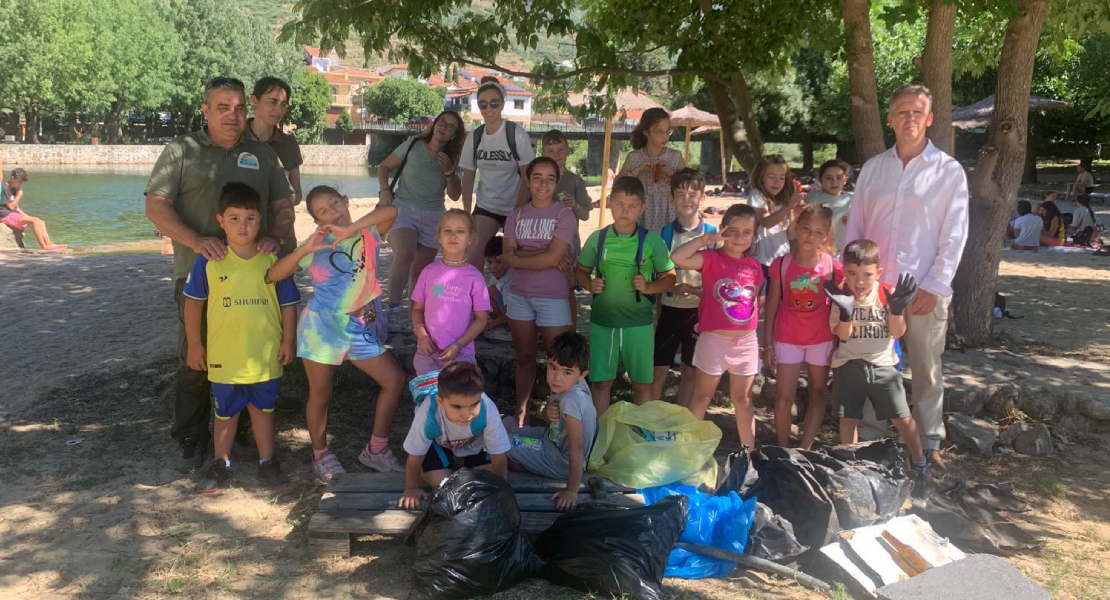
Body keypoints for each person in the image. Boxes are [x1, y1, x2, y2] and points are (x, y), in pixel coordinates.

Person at [145, 77, 295, 473]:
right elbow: (156, 206)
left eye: (240, 107)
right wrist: (196, 241)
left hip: (254, 276)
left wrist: (277, 239)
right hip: (198, 275)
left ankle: (242, 433)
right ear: (205, 109)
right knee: (197, 356)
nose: (233, 115)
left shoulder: (263, 155)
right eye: (223, 107)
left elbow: (283, 206)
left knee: (251, 353)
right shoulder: (182, 150)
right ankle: (192, 438)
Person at [842, 84, 969, 471]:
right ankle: (872, 436)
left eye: (917, 112)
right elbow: (857, 227)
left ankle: (929, 440)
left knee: (926, 364)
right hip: (874, 289)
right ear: (890, 118)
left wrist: (935, 284)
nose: (910, 118)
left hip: (922, 288)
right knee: (871, 362)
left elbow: (955, 231)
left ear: (929, 119)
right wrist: (851, 280)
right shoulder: (874, 169)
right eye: (902, 112)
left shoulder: (948, 171)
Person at [267, 186, 405, 481]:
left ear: (346, 201)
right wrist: (304, 248)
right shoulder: (319, 244)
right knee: (321, 392)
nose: (333, 212)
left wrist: (351, 228)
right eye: (324, 211)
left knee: (394, 380)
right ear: (318, 221)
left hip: (357, 326)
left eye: (335, 203)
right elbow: (274, 275)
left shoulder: (368, 233)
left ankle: (376, 450)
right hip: (321, 328)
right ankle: (320, 454)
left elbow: (391, 211)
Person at [182, 183, 299, 493]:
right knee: (225, 411)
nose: (242, 225)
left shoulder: (273, 260)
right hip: (225, 355)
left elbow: (288, 304)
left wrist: (289, 341)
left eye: (250, 218)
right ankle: (222, 464)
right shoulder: (209, 259)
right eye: (234, 218)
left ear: (260, 220)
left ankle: (267, 462)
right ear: (220, 220)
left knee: (263, 411)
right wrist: (195, 344)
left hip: (265, 354)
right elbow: (193, 303)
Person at [825, 239, 929, 480]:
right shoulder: (841, 295)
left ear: (878, 273)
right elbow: (843, 335)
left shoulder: (886, 293)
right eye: (852, 274)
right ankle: (851, 464)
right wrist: (845, 311)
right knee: (848, 418)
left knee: (902, 417)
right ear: (844, 271)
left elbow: (897, 332)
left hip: (883, 366)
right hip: (848, 366)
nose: (859, 282)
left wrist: (896, 310)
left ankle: (920, 461)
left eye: (866, 275)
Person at [576, 177, 676, 413]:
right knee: (601, 383)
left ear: (643, 207)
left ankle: (643, 437)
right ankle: (598, 439)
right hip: (603, 323)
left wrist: (650, 287)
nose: (625, 211)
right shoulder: (597, 239)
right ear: (609, 203)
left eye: (632, 206)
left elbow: (670, 276)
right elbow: (580, 271)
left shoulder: (652, 241)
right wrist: (590, 285)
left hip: (638, 325)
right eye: (619, 204)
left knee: (643, 383)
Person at [671, 204, 764, 450]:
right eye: (733, 231)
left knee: (742, 399)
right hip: (714, 341)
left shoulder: (754, 266)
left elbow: (751, 300)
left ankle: (749, 454)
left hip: (746, 343)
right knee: (702, 396)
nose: (740, 237)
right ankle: (686, 451)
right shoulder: (711, 258)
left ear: (754, 235)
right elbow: (678, 257)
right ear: (723, 230)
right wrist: (704, 240)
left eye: (747, 232)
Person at [502, 157, 577, 425]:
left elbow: (552, 258)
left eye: (550, 178)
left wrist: (519, 257)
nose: (543, 184)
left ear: (557, 183)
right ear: (528, 180)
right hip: (519, 295)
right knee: (524, 356)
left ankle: (557, 413)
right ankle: (522, 413)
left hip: (552, 297)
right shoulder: (516, 215)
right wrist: (542, 254)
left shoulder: (564, 215)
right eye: (537, 177)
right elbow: (507, 255)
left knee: (558, 359)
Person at [378, 111, 467, 332]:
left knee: (420, 270)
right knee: (405, 254)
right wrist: (384, 190)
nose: (444, 127)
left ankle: (413, 318)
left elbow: (455, 195)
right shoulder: (413, 145)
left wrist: (449, 171)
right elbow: (383, 167)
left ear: (454, 135)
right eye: (442, 122)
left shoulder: (454, 159)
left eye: (450, 127)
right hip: (403, 210)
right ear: (435, 124)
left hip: (433, 216)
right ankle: (392, 311)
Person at [764, 204, 842, 449]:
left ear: (827, 236)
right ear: (795, 227)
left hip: (822, 339)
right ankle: (784, 448)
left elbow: (841, 307)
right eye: (806, 229)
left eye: (819, 232)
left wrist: (839, 342)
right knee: (783, 397)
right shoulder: (781, 264)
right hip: (787, 338)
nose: (811, 236)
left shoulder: (833, 267)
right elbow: (772, 304)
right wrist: (767, 344)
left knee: (818, 392)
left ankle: (805, 448)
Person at [502, 332, 596, 511]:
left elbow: (577, 448)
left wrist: (571, 490)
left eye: (566, 372)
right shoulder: (570, 384)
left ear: (582, 374)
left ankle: (521, 463)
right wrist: (547, 412)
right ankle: (523, 459)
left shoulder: (572, 400)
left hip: (561, 462)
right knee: (506, 424)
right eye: (553, 367)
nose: (557, 378)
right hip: (550, 438)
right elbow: (548, 419)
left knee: (501, 444)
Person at [398, 361, 511, 509]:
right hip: (439, 444)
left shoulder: (487, 407)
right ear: (440, 401)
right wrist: (411, 488)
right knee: (442, 486)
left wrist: (500, 489)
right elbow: (415, 454)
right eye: (457, 407)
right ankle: (428, 471)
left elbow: (499, 454)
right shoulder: (428, 413)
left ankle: (457, 461)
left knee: (486, 481)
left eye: (474, 405)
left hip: (473, 444)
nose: (466, 414)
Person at [651, 168, 717, 407]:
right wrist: (671, 289)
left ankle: (681, 422)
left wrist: (702, 292)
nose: (687, 200)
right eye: (680, 194)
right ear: (671, 198)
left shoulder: (711, 235)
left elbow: (717, 275)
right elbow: (659, 273)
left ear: (702, 197)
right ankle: (649, 422)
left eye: (692, 194)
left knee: (690, 372)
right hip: (669, 309)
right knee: (658, 371)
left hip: (698, 313)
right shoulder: (665, 233)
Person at [461, 77, 536, 274]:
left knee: (514, 256)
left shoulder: (516, 134)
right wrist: (467, 213)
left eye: (494, 103)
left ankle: (512, 300)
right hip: (487, 206)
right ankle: (474, 300)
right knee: (473, 253)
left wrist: (517, 210)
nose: (488, 108)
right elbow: (468, 177)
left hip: (516, 204)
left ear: (502, 104)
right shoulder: (475, 136)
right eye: (483, 104)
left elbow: (527, 176)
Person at [410, 209, 491, 375]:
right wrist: (422, 335)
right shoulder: (428, 272)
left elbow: (481, 319)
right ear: (439, 236)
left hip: (461, 354)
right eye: (447, 231)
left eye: (460, 231)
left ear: (471, 238)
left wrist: (458, 345)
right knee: (429, 399)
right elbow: (417, 309)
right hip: (427, 353)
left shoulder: (475, 277)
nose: (453, 236)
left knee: (459, 399)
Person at [534, 129, 592, 326]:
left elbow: (585, 215)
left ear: (568, 151)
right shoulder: (535, 180)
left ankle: (570, 334)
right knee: (540, 286)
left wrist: (575, 205)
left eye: (560, 149)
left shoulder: (575, 181)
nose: (556, 154)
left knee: (567, 288)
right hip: (539, 242)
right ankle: (543, 329)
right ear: (543, 153)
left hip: (568, 245)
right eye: (550, 151)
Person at [247, 77, 303, 254]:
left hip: (280, 240)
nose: (278, 110)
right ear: (254, 100)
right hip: (241, 238)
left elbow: (298, 194)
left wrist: (285, 193)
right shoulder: (234, 139)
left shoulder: (289, 144)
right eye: (272, 102)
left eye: (283, 104)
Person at [617, 108, 685, 232]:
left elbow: (688, 185)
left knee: (667, 248)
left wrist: (673, 174)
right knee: (643, 248)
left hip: (669, 211)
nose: (665, 136)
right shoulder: (634, 157)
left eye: (667, 131)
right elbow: (618, 185)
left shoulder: (675, 156)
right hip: (641, 211)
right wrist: (637, 171)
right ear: (646, 132)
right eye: (659, 131)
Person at [748, 155, 804, 274]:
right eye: (771, 177)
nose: (777, 182)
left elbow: (791, 235)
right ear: (761, 177)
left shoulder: (784, 200)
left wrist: (797, 214)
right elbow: (766, 222)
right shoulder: (756, 194)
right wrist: (788, 207)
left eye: (782, 178)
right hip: (760, 261)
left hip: (781, 260)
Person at [1, 168, 66, 250]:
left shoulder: (14, 188)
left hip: (12, 213)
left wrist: (25, 215)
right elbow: (10, 206)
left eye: (22, 182)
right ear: (13, 178)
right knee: (34, 221)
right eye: (19, 181)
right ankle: (44, 247)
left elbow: (15, 206)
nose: (21, 184)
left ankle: (50, 243)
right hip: (5, 215)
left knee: (40, 221)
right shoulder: (4, 188)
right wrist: (19, 195)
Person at [806, 159, 853, 253]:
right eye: (828, 178)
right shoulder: (814, 197)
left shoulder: (852, 199)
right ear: (821, 180)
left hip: (843, 249)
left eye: (839, 177)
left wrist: (853, 220)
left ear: (845, 180)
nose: (834, 182)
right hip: (818, 249)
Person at [481, 235, 514, 342]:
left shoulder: (511, 279)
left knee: (490, 291)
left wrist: (487, 327)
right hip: (505, 316)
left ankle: (507, 329)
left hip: (515, 319)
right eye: (489, 262)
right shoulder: (496, 275)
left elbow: (511, 313)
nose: (493, 267)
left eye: (498, 262)